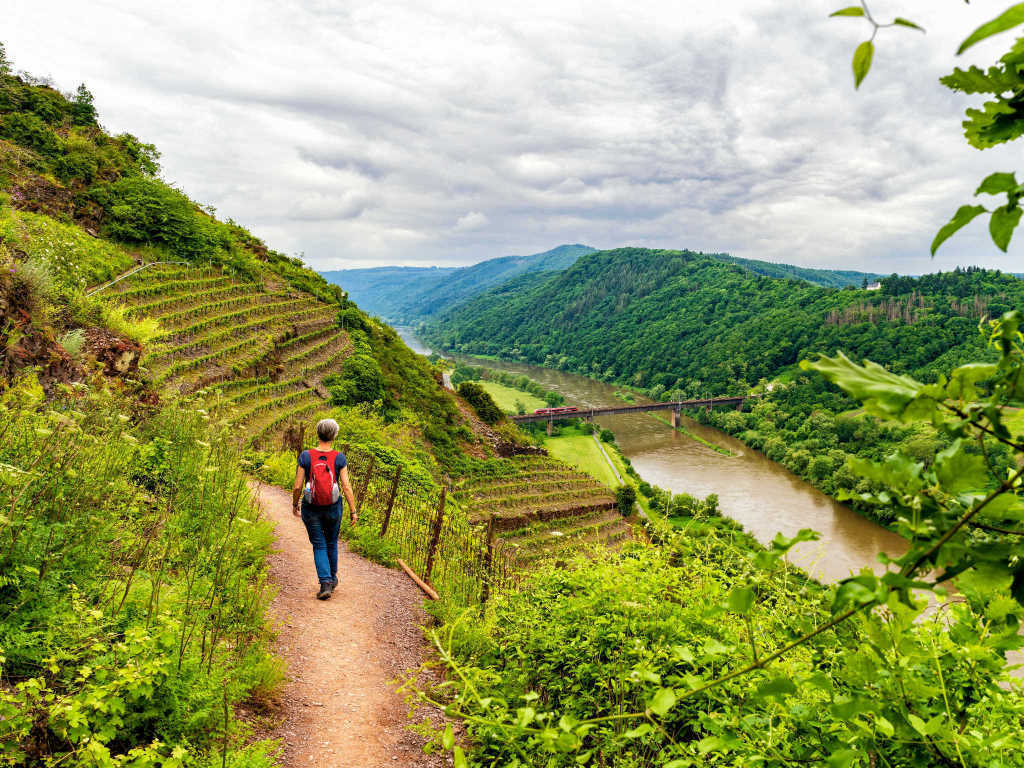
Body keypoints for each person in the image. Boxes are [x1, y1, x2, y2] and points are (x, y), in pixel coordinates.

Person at [292, 418, 358, 600]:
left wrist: (294, 503)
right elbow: (346, 486)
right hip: (333, 507)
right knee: (331, 542)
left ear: (317, 433)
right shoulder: (339, 457)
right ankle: (332, 578)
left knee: (319, 544)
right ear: (334, 435)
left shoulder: (306, 456)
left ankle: (325, 582)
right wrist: (353, 510)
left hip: (311, 507)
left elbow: (298, 485)